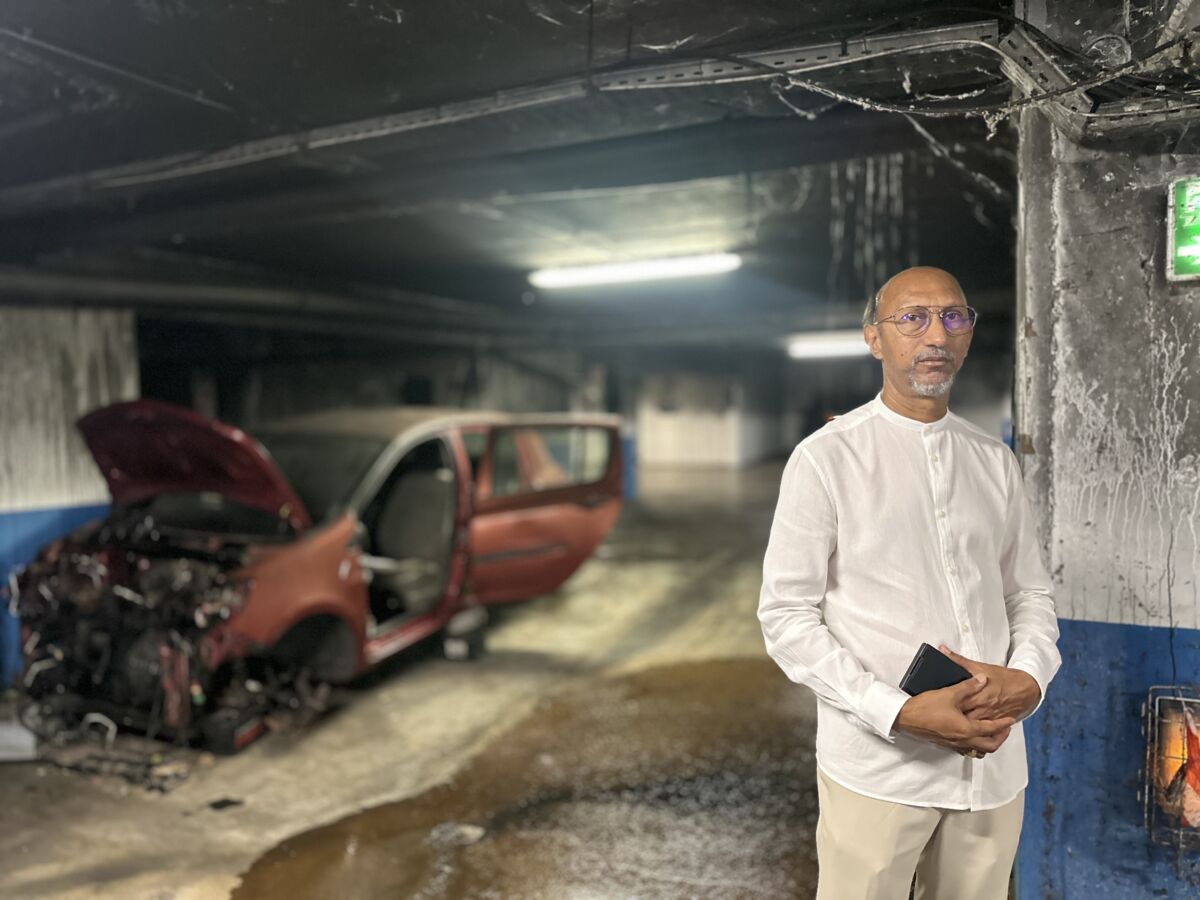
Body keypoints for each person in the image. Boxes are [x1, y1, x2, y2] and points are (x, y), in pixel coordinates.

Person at [758, 267, 1061, 900]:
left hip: (991, 770)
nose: (936, 335)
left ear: (969, 334)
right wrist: (895, 711)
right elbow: (786, 616)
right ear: (874, 337)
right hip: (880, 770)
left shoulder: (993, 461)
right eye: (913, 318)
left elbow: (1028, 593)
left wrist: (1030, 677)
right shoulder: (827, 459)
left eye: (953, 317)